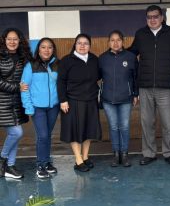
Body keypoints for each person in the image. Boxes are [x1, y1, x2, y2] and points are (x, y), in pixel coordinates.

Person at [129, 5, 170, 166]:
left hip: (165, 85)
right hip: (145, 85)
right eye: (149, 17)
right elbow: (131, 53)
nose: (152, 19)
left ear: (162, 17)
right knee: (147, 122)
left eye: (155, 16)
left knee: (168, 122)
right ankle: (149, 153)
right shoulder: (141, 34)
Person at [57, 33, 101, 172]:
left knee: (88, 130)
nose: (82, 46)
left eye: (85, 43)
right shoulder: (67, 60)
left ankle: (85, 157)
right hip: (73, 100)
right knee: (75, 131)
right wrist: (63, 100)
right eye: (79, 43)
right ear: (75, 45)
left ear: (89, 45)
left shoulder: (94, 59)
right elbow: (61, 81)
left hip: (91, 100)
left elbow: (99, 76)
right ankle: (78, 159)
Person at [21, 37, 60, 179]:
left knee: (48, 135)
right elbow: (24, 88)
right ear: (38, 49)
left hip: (53, 107)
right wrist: (29, 107)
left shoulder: (57, 64)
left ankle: (47, 162)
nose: (46, 50)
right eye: (43, 47)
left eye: (49, 47)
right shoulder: (31, 65)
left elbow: (60, 85)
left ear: (53, 49)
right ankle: (40, 165)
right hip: (38, 108)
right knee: (42, 135)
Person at [99, 30, 138, 168]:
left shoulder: (131, 57)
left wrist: (135, 94)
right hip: (108, 99)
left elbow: (135, 78)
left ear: (123, 41)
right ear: (108, 42)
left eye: (118, 40)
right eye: (112, 40)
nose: (115, 43)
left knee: (125, 127)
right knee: (114, 127)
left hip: (126, 98)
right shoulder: (102, 58)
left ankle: (125, 154)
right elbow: (95, 76)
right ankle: (116, 154)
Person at [0, 28, 32, 179]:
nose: (12, 42)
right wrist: (16, 88)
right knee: (16, 132)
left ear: (20, 41)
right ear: (4, 40)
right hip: (2, 102)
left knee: (14, 135)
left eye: (15, 39)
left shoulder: (23, 57)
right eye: (9, 39)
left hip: (16, 103)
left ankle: (9, 167)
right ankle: (2, 159)